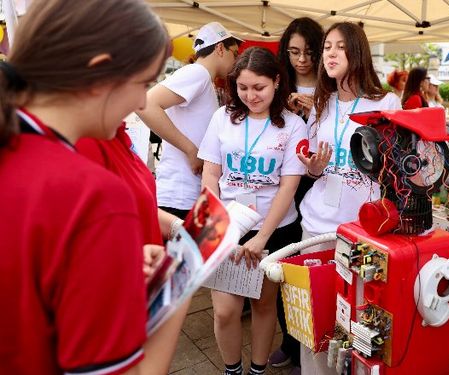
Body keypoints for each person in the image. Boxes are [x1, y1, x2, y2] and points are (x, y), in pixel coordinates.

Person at [0, 0, 186, 373]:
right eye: (144, 84)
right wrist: (179, 285)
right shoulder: (92, 195)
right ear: (100, 72)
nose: (140, 102)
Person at [297, 22, 401, 375]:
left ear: (358, 52)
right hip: (315, 228)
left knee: (358, 324)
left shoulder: (386, 102)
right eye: (326, 47)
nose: (330, 53)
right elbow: (313, 167)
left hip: (362, 234)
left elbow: (399, 170)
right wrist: (313, 168)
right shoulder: (321, 104)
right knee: (313, 322)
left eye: (340, 47)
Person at [198, 47, 307, 375]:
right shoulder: (222, 117)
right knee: (225, 311)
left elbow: (288, 188)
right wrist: (213, 222)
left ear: (276, 81)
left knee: (263, 305)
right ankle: (232, 370)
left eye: (258, 87)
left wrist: (262, 237)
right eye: (243, 88)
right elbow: (210, 174)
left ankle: (258, 369)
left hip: (274, 229)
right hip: (228, 224)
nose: (250, 95)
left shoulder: (292, 125)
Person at [137, 22, 241, 219]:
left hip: (186, 193)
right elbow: (145, 104)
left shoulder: (202, 77)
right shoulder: (198, 73)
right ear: (220, 48)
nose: (236, 60)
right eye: (234, 53)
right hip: (179, 195)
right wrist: (191, 150)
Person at [271, 16, 324, 375]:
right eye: (293, 52)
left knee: (316, 266)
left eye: (308, 52)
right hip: (286, 182)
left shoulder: (332, 82)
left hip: (321, 183)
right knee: (286, 264)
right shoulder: (278, 83)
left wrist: (315, 108)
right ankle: (290, 340)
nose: (301, 60)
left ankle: (316, 339)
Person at [76, 124, 184, 245]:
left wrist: (179, 228)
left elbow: (138, 206)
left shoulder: (116, 134)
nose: (144, 106)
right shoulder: (85, 144)